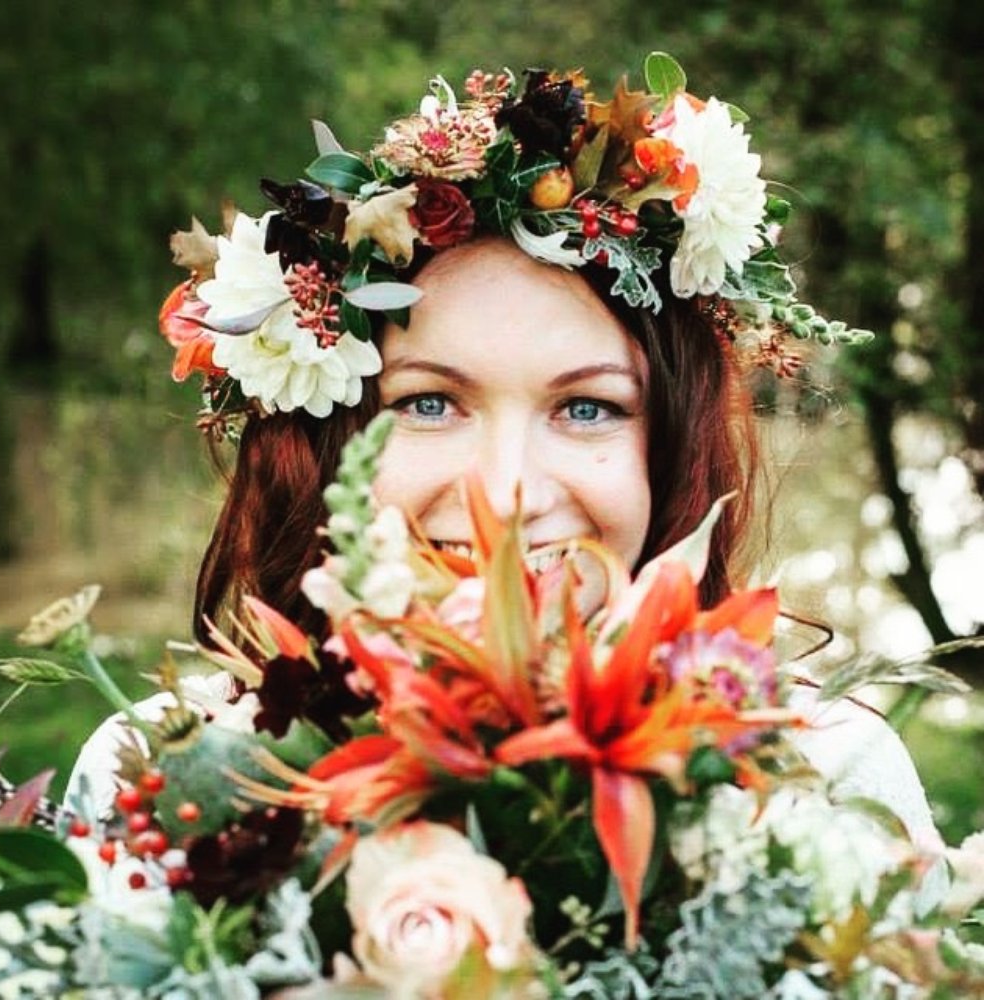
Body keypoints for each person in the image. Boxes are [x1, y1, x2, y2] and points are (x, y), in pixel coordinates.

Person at [67, 58, 942, 874]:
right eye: (428, 403)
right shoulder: (159, 774)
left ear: (674, 451)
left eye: (586, 408)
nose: (505, 496)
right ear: (326, 446)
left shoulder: (828, 777)